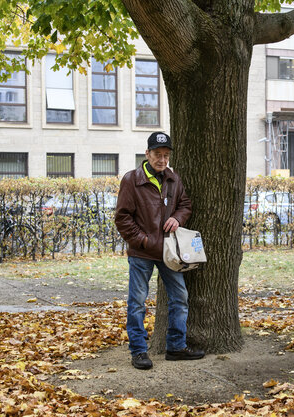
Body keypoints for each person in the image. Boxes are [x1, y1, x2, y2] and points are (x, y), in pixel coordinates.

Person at [114, 131, 205, 370]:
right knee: (137, 303)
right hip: (142, 253)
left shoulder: (174, 179)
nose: (162, 160)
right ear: (147, 154)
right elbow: (122, 218)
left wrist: (177, 217)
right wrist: (143, 240)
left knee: (180, 299)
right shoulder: (131, 180)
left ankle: (175, 347)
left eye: (166, 155)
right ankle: (138, 351)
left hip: (170, 253)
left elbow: (185, 204)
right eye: (157, 155)